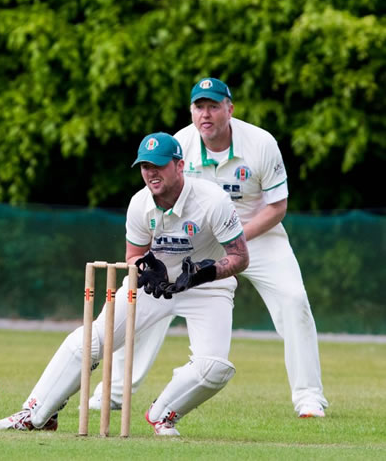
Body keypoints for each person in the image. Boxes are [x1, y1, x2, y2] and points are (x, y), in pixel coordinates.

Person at [88, 78, 328, 418]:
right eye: (199, 107)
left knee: (293, 299)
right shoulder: (180, 144)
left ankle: (309, 397)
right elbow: (156, 201)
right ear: (191, 111)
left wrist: (234, 238)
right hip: (190, 241)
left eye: (214, 106)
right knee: (147, 294)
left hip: (256, 234)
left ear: (229, 109)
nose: (206, 113)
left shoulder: (261, 143)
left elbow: (277, 207)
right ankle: (112, 392)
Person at [0, 132, 249, 436]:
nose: (151, 173)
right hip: (153, 288)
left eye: (159, 165)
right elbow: (133, 256)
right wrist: (145, 270)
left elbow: (240, 257)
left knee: (215, 367)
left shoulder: (212, 200)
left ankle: (162, 414)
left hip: (207, 288)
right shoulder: (139, 204)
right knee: (88, 341)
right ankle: (37, 413)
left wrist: (201, 274)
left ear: (179, 166)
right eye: (145, 166)